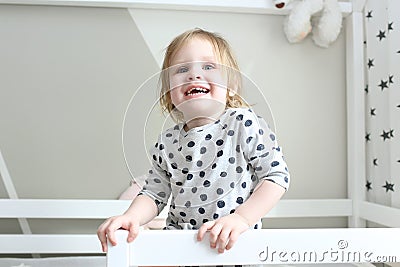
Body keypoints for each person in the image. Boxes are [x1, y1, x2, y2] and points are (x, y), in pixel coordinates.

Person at [97, 28, 290, 255]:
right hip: (181, 248)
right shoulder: (167, 143)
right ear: (169, 94)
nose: (194, 74)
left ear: (231, 87)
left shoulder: (244, 122)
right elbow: (152, 194)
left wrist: (241, 218)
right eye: (181, 69)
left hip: (234, 246)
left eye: (208, 67)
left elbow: (276, 176)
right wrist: (131, 217)